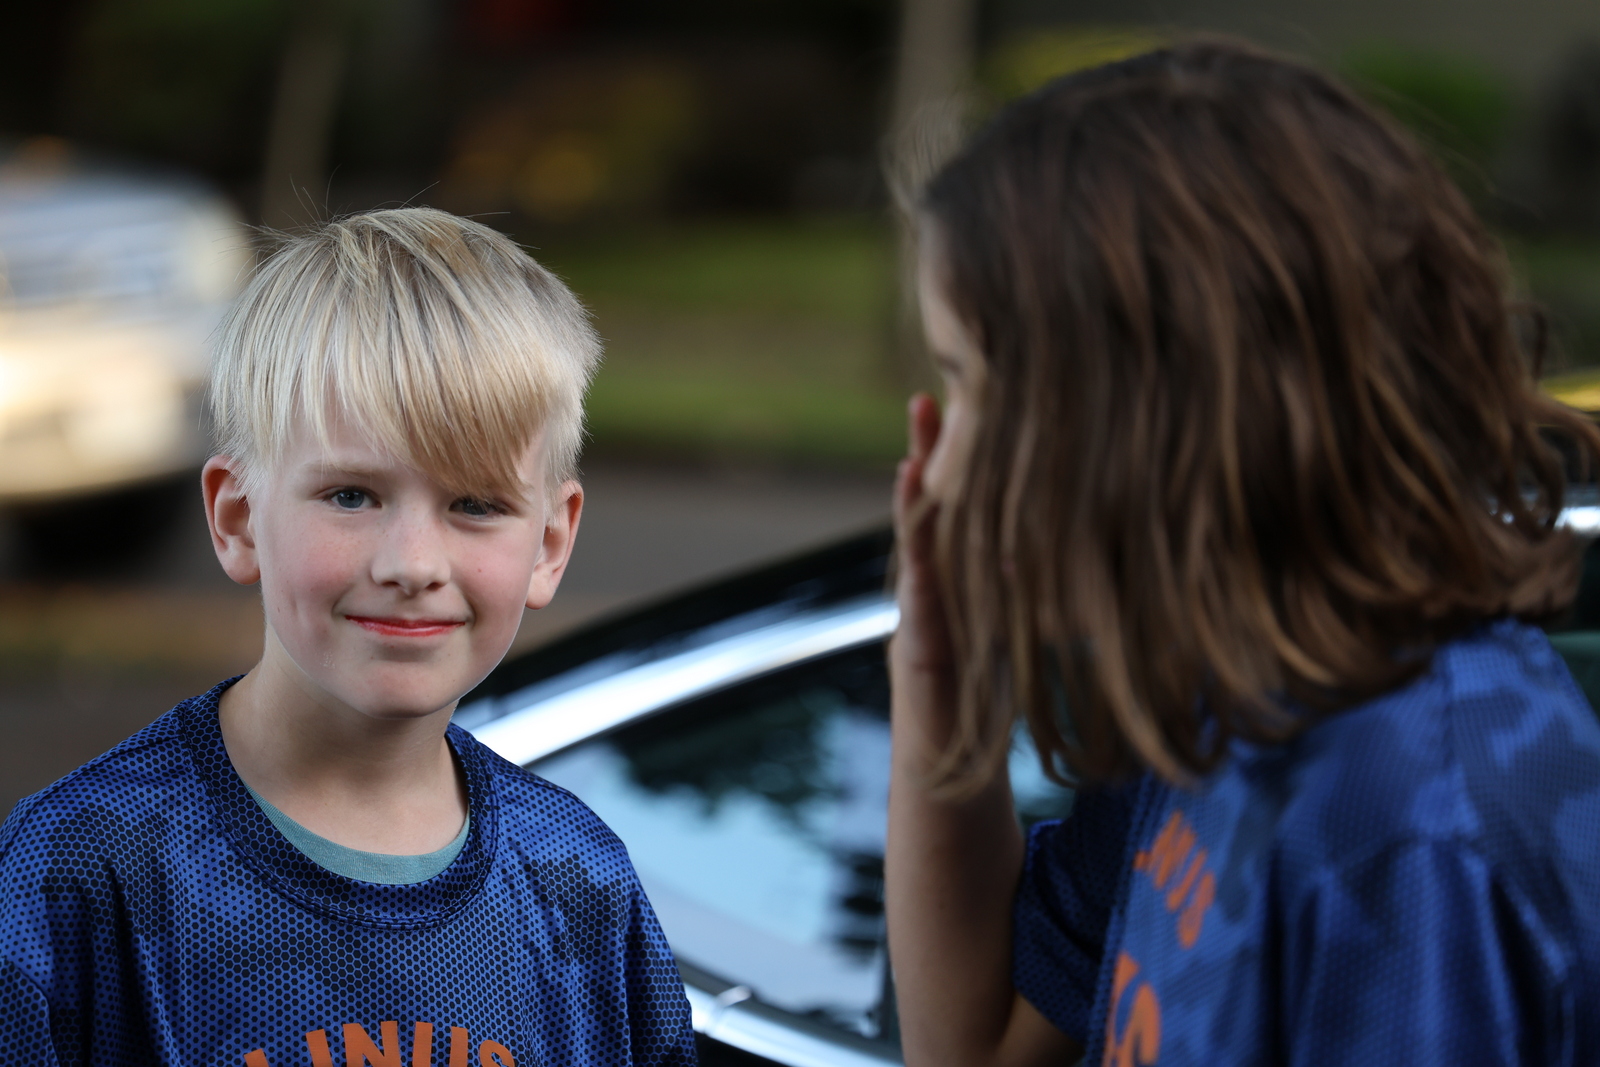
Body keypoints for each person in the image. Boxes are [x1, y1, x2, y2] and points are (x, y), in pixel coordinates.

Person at [886, 40, 1600, 1067]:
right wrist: (936, 679)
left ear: (1158, 411)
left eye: (973, 387)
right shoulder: (1228, 693)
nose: (941, 471)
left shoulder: (1410, 831)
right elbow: (975, 1048)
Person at [0, 208, 696, 1066]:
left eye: (475, 504)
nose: (412, 563)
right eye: (351, 496)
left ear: (550, 543)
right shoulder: (80, 873)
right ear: (238, 518)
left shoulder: (579, 884)